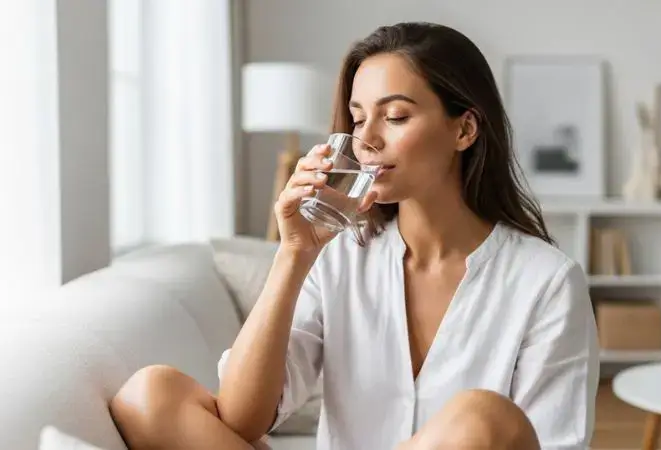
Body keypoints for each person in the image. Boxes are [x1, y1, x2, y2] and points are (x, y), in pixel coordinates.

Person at [109, 21, 599, 450]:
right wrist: (294, 254)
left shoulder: (547, 281)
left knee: (481, 419)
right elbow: (242, 418)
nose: (368, 141)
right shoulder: (338, 256)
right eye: (360, 118)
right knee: (148, 396)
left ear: (464, 130)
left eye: (397, 116)